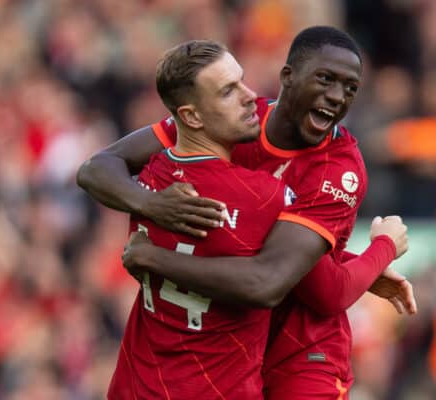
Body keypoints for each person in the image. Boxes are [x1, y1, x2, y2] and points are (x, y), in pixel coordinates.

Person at [78, 26, 414, 399]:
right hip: (225, 340)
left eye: (350, 88)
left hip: (301, 350)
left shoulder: (339, 171)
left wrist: (374, 253)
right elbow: (97, 167)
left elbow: (312, 290)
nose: (337, 97)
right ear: (288, 76)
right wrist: (153, 205)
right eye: (325, 79)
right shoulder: (231, 121)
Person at [107, 40, 293, 399]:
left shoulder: (151, 174)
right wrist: (379, 252)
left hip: (135, 388)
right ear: (191, 116)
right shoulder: (262, 195)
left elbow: (99, 167)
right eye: (228, 92)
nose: (250, 96)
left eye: (241, 81)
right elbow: (292, 275)